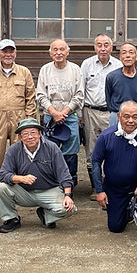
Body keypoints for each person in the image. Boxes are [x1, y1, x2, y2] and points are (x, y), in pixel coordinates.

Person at [90, 101, 137, 243]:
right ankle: (129, 209)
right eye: (126, 116)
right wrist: (99, 191)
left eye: (135, 117)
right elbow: (95, 163)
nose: (130, 120)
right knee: (115, 227)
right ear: (119, 117)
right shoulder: (106, 136)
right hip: (115, 186)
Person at [0, 38, 37, 206]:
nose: (8, 54)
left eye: (11, 51)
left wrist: (29, 121)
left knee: (21, 152)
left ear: (15, 53)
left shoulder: (24, 72)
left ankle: (21, 188)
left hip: (19, 118)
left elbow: (30, 99)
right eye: (5, 51)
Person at [0, 118, 76, 232]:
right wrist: (21, 179)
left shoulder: (52, 148)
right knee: (1, 188)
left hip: (49, 190)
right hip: (24, 192)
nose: (30, 137)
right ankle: (11, 219)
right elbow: (3, 175)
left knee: (69, 208)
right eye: (25, 134)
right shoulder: (13, 150)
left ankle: (45, 215)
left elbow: (64, 175)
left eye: (33, 132)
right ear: (20, 137)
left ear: (40, 133)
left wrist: (68, 195)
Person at [36, 39, 84, 188]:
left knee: (71, 150)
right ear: (50, 53)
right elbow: (40, 95)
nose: (59, 53)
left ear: (67, 52)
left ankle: (69, 183)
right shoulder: (45, 69)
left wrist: (64, 112)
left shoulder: (75, 69)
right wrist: (53, 112)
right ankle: (51, 183)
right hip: (51, 116)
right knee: (49, 149)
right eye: (55, 50)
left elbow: (79, 94)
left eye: (62, 49)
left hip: (70, 115)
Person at [80, 33, 121, 190]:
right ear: (94, 47)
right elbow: (80, 90)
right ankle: (96, 187)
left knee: (113, 149)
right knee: (92, 151)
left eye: (106, 45)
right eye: (99, 45)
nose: (103, 48)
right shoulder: (87, 64)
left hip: (111, 113)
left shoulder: (118, 65)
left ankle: (111, 186)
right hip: (90, 111)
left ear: (111, 47)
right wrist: (79, 115)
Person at [104, 42, 137, 126]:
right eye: (124, 53)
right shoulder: (111, 77)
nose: (127, 56)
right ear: (120, 57)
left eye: (131, 52)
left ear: (136, 57)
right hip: (117, 116)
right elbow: (109, 99)